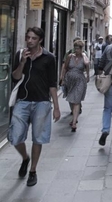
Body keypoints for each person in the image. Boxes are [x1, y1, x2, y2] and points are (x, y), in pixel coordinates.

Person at [8, 27, 61, 187]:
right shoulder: (20, 54)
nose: (30, 41)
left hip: (42, 103)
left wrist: (56, 107)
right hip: (22, 101)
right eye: (28, 38)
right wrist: (23, 62)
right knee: (15, 137)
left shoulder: (49, 58)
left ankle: (32, 170)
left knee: (38, 138)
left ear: (40, 40)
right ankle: (25, 157)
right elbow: (15, 77)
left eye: (33, 38)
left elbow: (52, 84)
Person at [61, 40, 90, 132]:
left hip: (80, 80)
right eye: (75, 48)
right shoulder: (70, 56)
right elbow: (65, 67)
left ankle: (74, 122)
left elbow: (87, 63)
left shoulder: (84, 57)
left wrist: (84, 55)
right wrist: (62, 78)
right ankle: (75, 116)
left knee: (76, 100)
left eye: (78, 48)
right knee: (71, 99)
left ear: (81, 49)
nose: (76, 50)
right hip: (69, 80)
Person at [60, 36, 87, 115]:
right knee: (69, 94)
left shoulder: (84, 54)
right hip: (69, 78)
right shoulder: (69, 53)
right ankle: (73, 108)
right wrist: (62, 76)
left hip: (79, 78)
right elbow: (64, 65)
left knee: (77, 94)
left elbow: (87, 65)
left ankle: (76, 108)